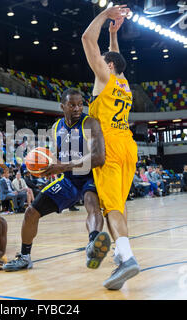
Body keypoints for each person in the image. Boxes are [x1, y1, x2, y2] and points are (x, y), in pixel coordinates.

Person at [3, 88, 107, 272]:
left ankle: (93, 243)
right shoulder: (56, 127)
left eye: (80, 104)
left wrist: (63, 166)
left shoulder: (90, 123)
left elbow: (99, 157)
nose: (77, 108)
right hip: (68, 180)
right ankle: (25, 257)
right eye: (72, 105)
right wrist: (46, 168)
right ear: (62, 106)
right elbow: (59, 157)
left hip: (92, 175)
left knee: (92, 203)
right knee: (31, 212)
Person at [81, 4, 140, 289]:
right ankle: (119, 254)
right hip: (129, 146)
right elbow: (115, 56)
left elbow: (86, 40)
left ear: (109, 65)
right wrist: (114, 35)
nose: (99, 64)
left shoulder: (104, 78)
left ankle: (127, 258)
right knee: (120, 204)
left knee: (112, 206)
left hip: (110, 146)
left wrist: (105, 15)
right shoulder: (124, 83)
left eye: (104, 61)